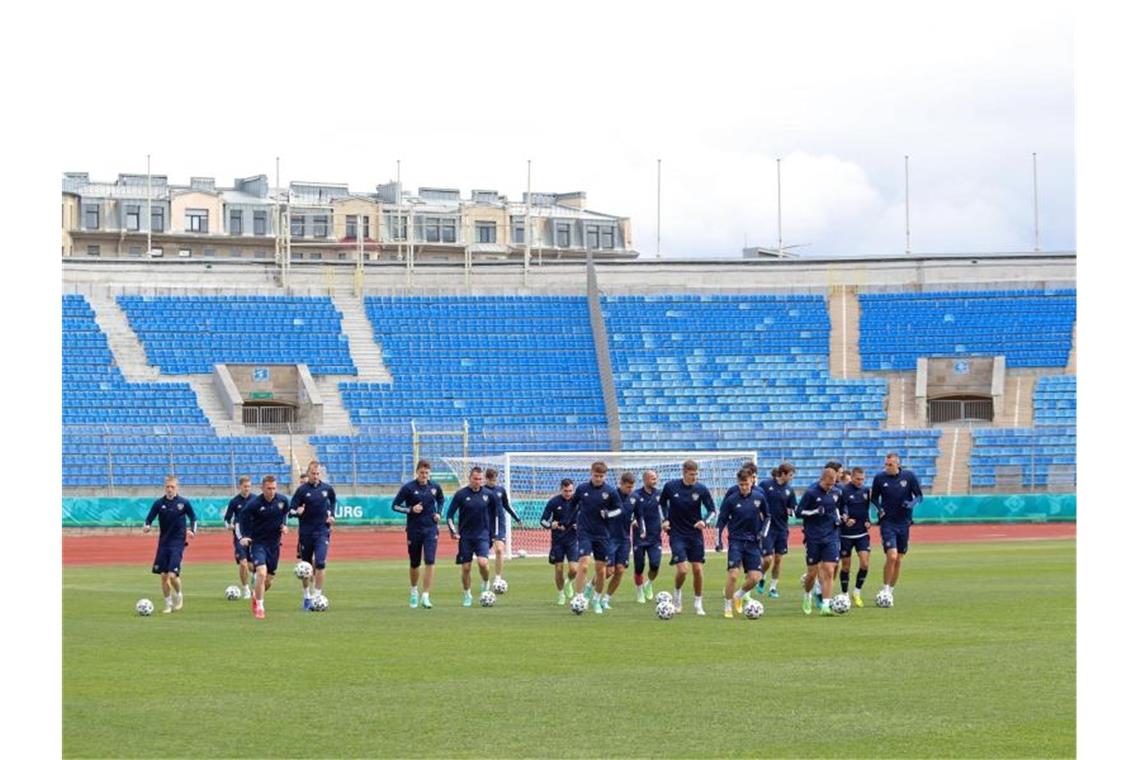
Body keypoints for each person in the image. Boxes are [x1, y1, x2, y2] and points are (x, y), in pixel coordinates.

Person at [660, 460, 716, 616]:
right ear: (684, 472)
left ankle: (698, 603)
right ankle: (677, 595)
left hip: (694, 534)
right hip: (676, 533)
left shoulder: (701, 489)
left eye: (696, 474)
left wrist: (704, 521)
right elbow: (661, 504)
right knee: (683, 570)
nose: (694, 477)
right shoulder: (670, 487)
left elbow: (712, 510)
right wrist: (664, 519)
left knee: (697, 569)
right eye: (692, 474)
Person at [569, 461, 624, 614]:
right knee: (584, 564)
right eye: (596, 475)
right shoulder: (582, 489)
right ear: (591, 473)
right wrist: (569, 521)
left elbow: (620, 509)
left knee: (601, 571)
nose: (598, 478)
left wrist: (608, 514)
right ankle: (579, 597)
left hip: (602, 535)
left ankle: (596, 600)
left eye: (601, 476)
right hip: (585, 532)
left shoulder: (610, 491)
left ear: (605, 476)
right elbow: (572, 505)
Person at [392, 459, 445, 609]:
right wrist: (410, 509)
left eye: (426, 473)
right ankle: (414, 590)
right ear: (417, 472)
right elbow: (395, 505)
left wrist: (439, 514)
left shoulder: (435, 487)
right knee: (415, 563)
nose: (424, 475)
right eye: (422, 472)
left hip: (431, 529)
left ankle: (426, 595)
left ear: (430, 473)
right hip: (414, 529)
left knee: (430, 560)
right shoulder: (408, 488)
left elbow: (441, 500)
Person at [870, 452, 924, 601]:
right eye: (886, 464)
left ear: (898, 464)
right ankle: (885, 589)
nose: (887, 467)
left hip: (904, 522)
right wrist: (879, 509)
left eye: (890, 464)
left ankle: (891, 591)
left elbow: (919, 496)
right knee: (891, 556)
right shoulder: (879, 478)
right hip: (887, 522)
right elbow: (874, 498)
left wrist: (911, 504)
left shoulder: (909, 476)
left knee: (898, 559)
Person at [235, 475, 290, 619]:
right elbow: (240, 521)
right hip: (258, 543)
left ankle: (256, 595)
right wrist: (243, 537)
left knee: (269, 580)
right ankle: (260, 606)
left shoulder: (283, 500)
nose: (271, 491)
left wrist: (284, 526)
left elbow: (285, 514)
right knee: (261, 572)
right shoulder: (254, 504)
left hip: (274, 545)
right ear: (262, 488)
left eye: (274, 488)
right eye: (268, 488)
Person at [717, 468, 768, 618]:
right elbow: (721, 521)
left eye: (746, 484)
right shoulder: (731, 500)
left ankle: (738, 595)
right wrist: (718, 540)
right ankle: (727, 606)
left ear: (752, 481)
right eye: (741, 485)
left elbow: (768, 517)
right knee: (733, 575)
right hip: (736, 541)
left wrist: (763, 533)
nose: (744, 487)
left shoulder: (760, 497)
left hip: (753, 542)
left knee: (755, 578)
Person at [143, 476, 197, 614]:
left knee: (173, 575)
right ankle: (167, 604)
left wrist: (192, 530)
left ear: (176, 488)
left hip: (178, 542)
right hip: (163, 543)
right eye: (167, 487)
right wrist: (147, 526)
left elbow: (193, 517)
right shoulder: (158, 503)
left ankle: (179, 594)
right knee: (163, 576)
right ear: (164, 487)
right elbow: (149, 518)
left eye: (172, 487)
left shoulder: (184, 503)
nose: (170, 489)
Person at [795, 466, 844, 616]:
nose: (830, 487)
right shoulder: (811, 493)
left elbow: (840, 508)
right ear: (821, 480)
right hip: (813, 537)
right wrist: (815, 512)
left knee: (829, 570)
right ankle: (807, 595)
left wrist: (843, 517)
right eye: (828, 484)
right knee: (812, 573)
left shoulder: (837, 492)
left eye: (833, 484)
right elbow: (798, 513)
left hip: (831, 535)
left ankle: (826, 605)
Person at [289, 461, 337, 610]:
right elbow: (290, 510)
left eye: (318, 474)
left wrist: (332, 515)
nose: (315, 476)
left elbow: (333, 501)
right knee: (306, 567)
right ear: (308, 473)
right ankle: (306, 596)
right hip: (306, 533)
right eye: (313, 474)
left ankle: (317, 596)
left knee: (321, 562)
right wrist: (297, 511)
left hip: (322, 531)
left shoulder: (327, 489)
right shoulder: (302, 491)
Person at [445, 467, 494, 607]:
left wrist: (494, 534)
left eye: (480, 479)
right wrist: (454, 531)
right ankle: (467, 594)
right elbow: (449, 515)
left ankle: (485, 583)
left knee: (483, 563)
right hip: (465, 537)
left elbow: (494, 514)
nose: (478, 481)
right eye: (475, 479)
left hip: (482, 536)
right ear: (470, 478)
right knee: (466, 568)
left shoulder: (488, 495)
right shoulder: (461, 494)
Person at [757, 463, 796, 598]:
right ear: (783, 474)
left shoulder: (789, 490)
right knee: (767, 559)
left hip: (782, 528)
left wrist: (791, 512)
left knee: (778, 559)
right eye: (790, 475)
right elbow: (757, 500)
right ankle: (761, 577)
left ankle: (773, 588)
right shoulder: (765, 485)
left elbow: (792, 509)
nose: (791, 478)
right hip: (767, 527)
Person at [539, 478, 579, 605]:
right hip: (558, 541)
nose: (568, 493)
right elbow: (543, 520)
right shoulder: (553, 502)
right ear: (561, 489)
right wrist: (551, 524)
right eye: (566, 491)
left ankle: (568, 582)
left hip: (573, 539)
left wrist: (580, 525)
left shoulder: (578, 502)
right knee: (558, 568)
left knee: (574, 569)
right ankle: (561, 594)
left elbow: (586, 517)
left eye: (570, 491)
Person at [601, 472, 638, 610]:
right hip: (610, 538)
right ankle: (590, 588)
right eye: (628, 487)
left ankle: (606, 599)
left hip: (624, 539)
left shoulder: (634, 498)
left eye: (632, 487)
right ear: (621, 483)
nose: (630, 490)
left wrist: (636, 521)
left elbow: (638, 514)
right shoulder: (611, 495)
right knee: (608, 571)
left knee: (620, 570)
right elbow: (603, 511)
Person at [839, 466, 873, 607]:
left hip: (862, 534)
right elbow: (840, 509)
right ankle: (845, 594)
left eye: (862, 479)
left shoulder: (866, 491)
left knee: (865, 563)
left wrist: (868, 521)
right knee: (846, 566)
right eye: (858, 479)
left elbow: (866, 510)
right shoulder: (843, 491)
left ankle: (857, 592)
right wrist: (846, 520)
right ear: (852, 477)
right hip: (845, 535)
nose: (860, 481)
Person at [484, 468, 524, 590]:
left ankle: (498, 578)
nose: (493, 482)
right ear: (486, 479)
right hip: (485, 525)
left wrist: (517, 519)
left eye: (495, 479)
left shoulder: (501, 490)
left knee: (500, 550)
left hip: (499, 524)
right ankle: (485, 579)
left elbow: (507, 505)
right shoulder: (482, 491)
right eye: (491, 480)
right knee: (484, 554)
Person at [631, 470, 663, 603]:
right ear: (645, 480)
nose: (655, 481)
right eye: (652, 479)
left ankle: (648, 584)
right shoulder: (636, 495)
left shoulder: (659, 494)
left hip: (655, 537)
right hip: (640, 536)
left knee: (655, 565)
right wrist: (632, 520)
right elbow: (629, 510)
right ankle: (639, 591)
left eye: (655, 478)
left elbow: (665, 510)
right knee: (639, 567)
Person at [223, 475, 256, 599]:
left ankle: (254, 577)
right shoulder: (234, 501)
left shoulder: (256, 499)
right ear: (240, 487)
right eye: (245, 486)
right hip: (239, 536)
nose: (247, 489)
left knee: (252, 566)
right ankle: (246, 589)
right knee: (243, 564)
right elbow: (226, 519)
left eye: (249, 486)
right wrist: (229, 526)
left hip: (254, 536)